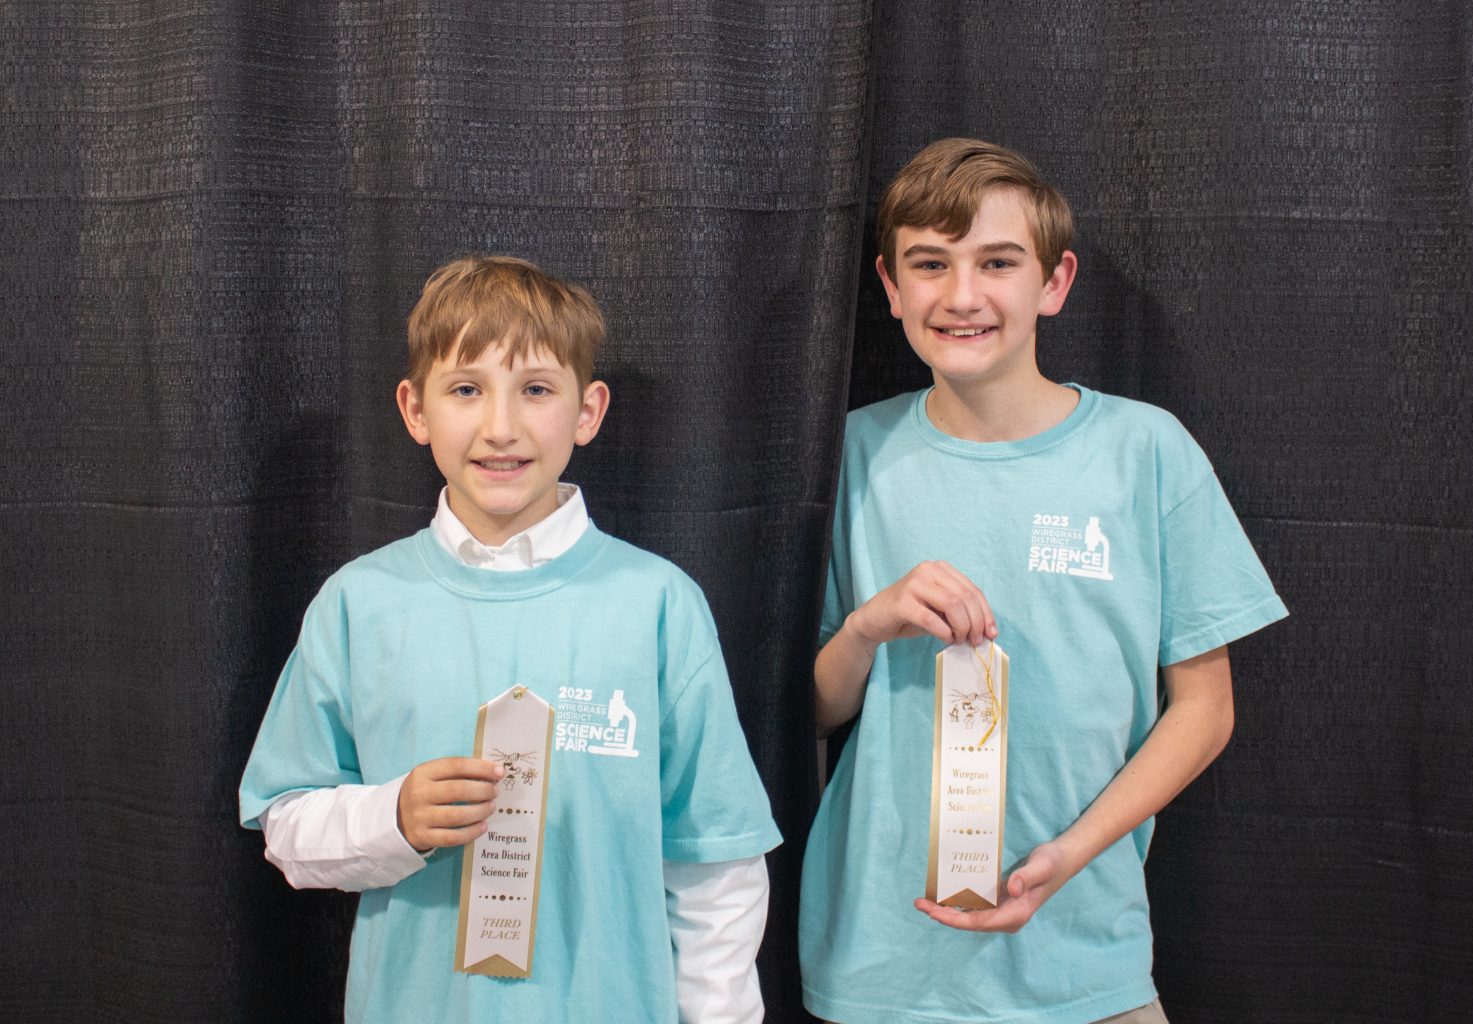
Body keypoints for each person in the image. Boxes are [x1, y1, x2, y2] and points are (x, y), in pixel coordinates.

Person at [800, 138, 1288, 1024]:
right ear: (891, 286)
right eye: (930, 264)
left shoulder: (1146, 451)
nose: (962, 295)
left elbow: (1205, 709)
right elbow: (814, 712)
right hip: (883, 966)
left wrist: (1071, 855)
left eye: (997, 263)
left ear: (1054, 282)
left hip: (1083, 957)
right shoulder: (850, 456)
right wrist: (870, 623)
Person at [240, 255, 782, 1024]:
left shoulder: (658, 606)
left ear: (588, 411)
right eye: (466, 389)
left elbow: (715, 867)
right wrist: (394, 818)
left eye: (535, 390)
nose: (500, 427)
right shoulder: (358, 605)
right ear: (415, 410)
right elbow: (286, 823)